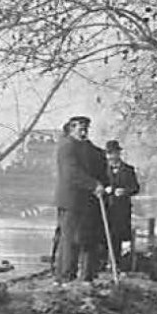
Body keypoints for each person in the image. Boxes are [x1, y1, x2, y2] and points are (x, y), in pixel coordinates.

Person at [52, 116, 107, 281]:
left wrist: (101, 182)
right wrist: (93, 184)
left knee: (88, 239)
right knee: (69, 240)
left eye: (85, 129)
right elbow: (72, 173)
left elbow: (99, 162)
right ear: (71, 129)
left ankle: (86, 277)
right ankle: (65, 277)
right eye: (80, 129)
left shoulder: (88, 148)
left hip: (88, 202)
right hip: (71, 201)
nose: (83, 132)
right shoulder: (66, 147)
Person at [102, 140, 141, 272]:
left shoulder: (128, 170)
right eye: (109, 154)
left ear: (119, 154)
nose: (111, 157)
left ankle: (115, 263)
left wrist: (124, 191)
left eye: (114, 153)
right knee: (102, 235)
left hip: (121, 209)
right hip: (104, 208)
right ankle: (102, 263)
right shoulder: (101, 169)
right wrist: (104, 190)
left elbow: (135, 188)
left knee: (116, 236)